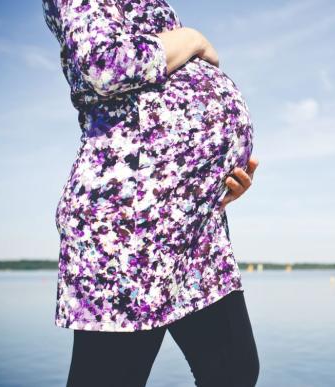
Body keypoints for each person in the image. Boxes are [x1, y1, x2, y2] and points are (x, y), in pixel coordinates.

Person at [41, 0, 260, 385]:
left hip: (196, 226)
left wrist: (217, 174)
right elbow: (103, 63)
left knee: (234, 370)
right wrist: (192, 39)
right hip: (131, 223)